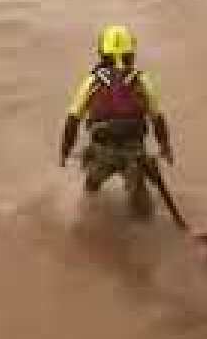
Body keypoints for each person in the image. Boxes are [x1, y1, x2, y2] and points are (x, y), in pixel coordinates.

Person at [59, 25, 175, 219]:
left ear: (102, 54)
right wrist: (165, 146)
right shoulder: (141, 79)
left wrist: (65, 150)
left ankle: (82, 223)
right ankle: (144, 232)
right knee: (141, 205)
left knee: (90, 190)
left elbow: (73, 119)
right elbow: (157, 117)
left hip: (102, 149)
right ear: (131, 54)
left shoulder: (92, 81)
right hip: (134, 151)